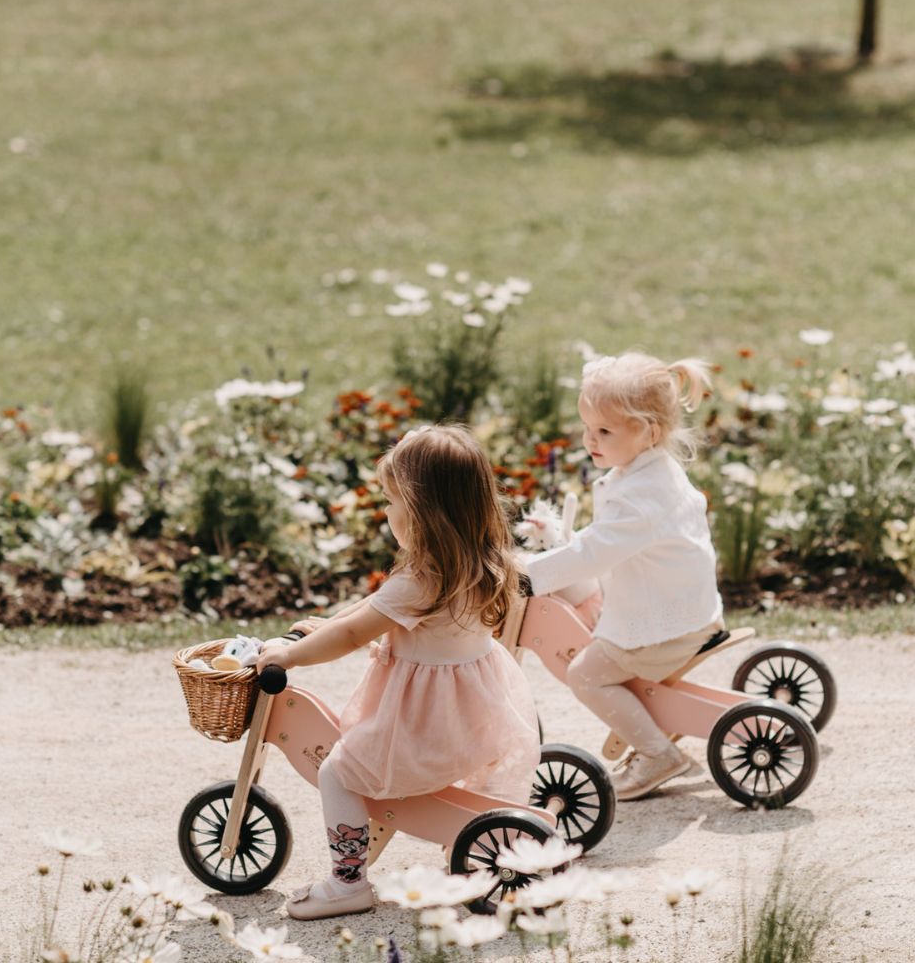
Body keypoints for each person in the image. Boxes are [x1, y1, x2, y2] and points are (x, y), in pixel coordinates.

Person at [257, 425, 540, 921]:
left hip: (420, 727)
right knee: (384, 774)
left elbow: (352, 636)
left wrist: (288, 656)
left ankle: (347, 883)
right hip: (475, 719)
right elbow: (365, 615)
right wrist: (332, 623)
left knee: (339, 772)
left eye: (391, 500)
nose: (386, 512)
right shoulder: (484, 565)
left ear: (421, 511)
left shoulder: (419, 582)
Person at [522, 352, 723, 801]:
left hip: (666, 627)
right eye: (587, 429)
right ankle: (653, 743)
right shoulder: (645, 473)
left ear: (649, 431)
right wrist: (558, 541)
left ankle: (657, 755)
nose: (589, 440)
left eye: (604, 432)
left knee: (585, 675)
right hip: (672, 605)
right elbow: (606, 544)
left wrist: (530, 574)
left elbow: (598, 550)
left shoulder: (640, 496)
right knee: (580, 593)